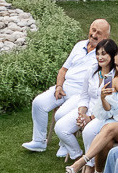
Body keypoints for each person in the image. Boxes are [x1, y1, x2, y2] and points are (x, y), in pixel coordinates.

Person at [25, 16, 109, 155]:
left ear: (106, 37)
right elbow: (63, 70)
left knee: (61, 115)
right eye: (93, 30)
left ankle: (65, 144)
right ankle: (39, 141)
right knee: (38, 103)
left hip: (80, 93)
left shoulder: (104, 54)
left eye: (99, 33)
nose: (94, 35)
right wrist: (59, 86)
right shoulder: (79, 45)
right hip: (64, 88)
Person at [57, 39, 118, 161]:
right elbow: (84, 96)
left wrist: (90, 119)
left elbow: (111, 104)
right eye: (98, 53)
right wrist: (82, 114)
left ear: (112, 55)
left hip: (104, 115)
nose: (99, 57)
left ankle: (90, 165)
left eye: (103, 54)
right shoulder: (92, 70)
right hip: (88, 110)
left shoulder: (114, 76)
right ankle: (78, 156)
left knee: (89, 131)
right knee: (60, 127)